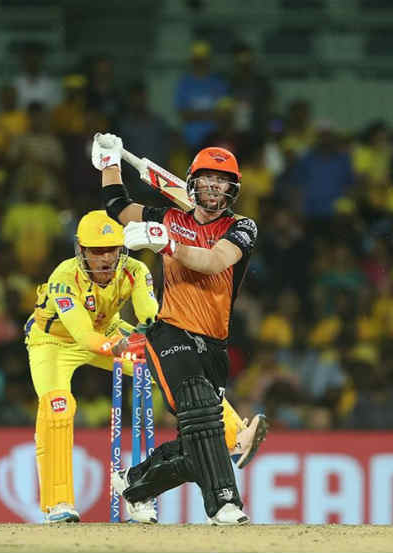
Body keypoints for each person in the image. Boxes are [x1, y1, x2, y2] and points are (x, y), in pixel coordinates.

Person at [26, 210, 266, 524]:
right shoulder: (63, 278)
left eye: (112, 249)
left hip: (109, 331)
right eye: (97, 251)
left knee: (174, 363)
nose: (106, 258)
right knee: (57, 408)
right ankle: (58, 504)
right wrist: (116, 347)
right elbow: (84, 336)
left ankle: (236, 436)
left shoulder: (135, 270)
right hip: (53, 343)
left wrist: (159, 341)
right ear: (81, 250)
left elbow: (150, 315)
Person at [93, 132, 266, 525]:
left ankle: (134, 483)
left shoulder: (242, 227)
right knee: (201, 410)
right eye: (207, 179)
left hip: (214, 343)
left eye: (222, 181)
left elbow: (213, 262)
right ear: (192, 183)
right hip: (170, 331)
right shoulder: (168, 219)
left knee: (197, 446)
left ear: (232, 189)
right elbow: (118, 208)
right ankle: (224, 503)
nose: (214, 187)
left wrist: (168, 245)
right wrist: (109, 162)